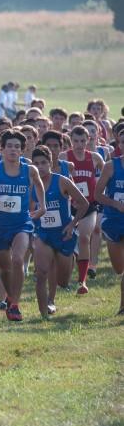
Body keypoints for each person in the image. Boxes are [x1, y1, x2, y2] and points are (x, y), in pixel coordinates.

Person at [0, 130, 46, 322]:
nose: (13, 150)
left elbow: (39, 185)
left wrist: (42, 207)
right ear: (2, 149)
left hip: (22, 223)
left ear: (22, 150)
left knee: (17, 260)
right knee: (5, 269)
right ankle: (10, 298)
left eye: (17, 147)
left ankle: (15, 305)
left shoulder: (30, 170)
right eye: (9, 146)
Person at [31, 146, 88, 317]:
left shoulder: (62, 181)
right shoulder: (31, 184)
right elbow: (28, 209)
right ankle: (44, 313)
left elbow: (84, 204)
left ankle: (69, 260)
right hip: (43, 234)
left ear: (51, 163)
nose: (40, 167)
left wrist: (72, 225)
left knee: (63, 281)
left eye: (43, 163)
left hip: (64, 234)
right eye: (36, 164)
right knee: (41, 273)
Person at [60, 126, 105, 294]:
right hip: (69, 205)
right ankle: (63, 277)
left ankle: (82, 281)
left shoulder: (95, 158)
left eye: (82, 141)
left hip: (89, 204)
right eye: (76, 141)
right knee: (67, 241)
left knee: (85, 238)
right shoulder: (64, 157)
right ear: (71, 141)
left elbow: (106, 176)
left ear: (89, 140)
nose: (79, 145)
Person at [95, 124, 124, 315]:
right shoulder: (111, 166)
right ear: (119, 144)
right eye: (123, 142)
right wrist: (116, 204)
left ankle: (122, 307)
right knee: (119, 269)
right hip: (114, 221)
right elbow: (97, 195)